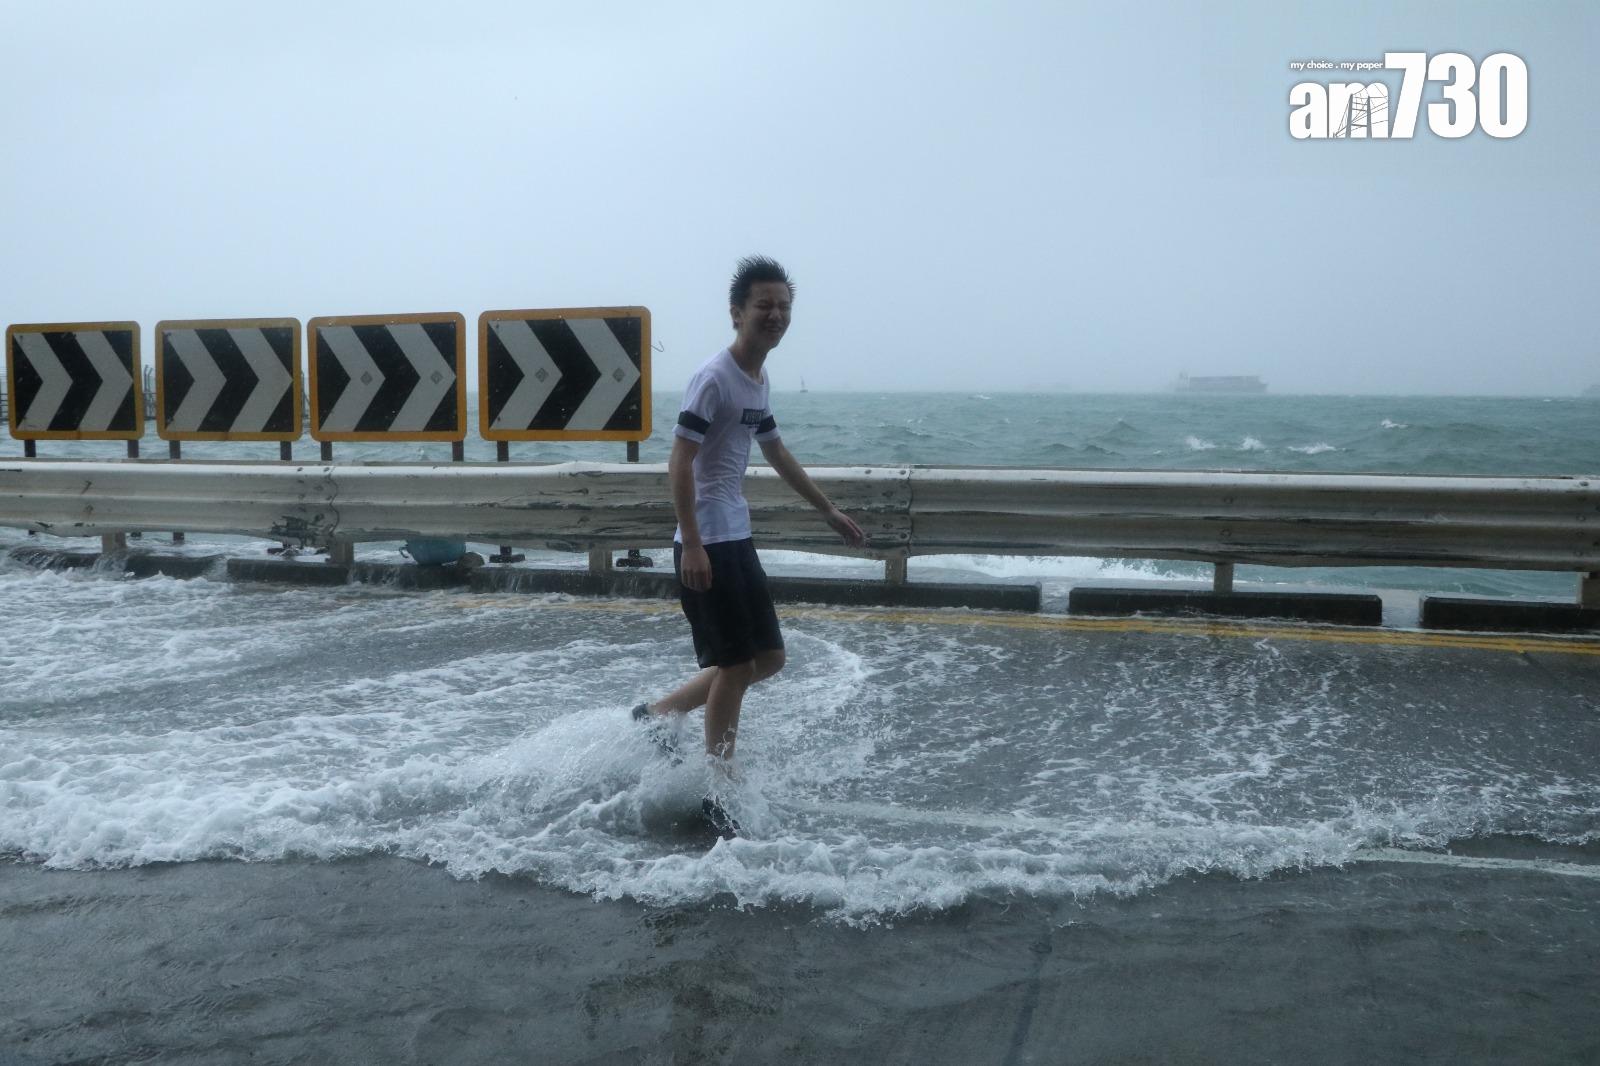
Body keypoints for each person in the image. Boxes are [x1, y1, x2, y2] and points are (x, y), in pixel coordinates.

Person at [633, 256, 865, 832]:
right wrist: (691, 543)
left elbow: (777, 452)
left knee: (769, 659)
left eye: (784, 306)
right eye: (764, 305)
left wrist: (828, 510)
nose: (776, 315)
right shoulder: (715, 377)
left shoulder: (758, 381)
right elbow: (679, 461)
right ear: (737, 313)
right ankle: (719, 784)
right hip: (707, 540)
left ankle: (659, 714)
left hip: (735, 536)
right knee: (736, 665)